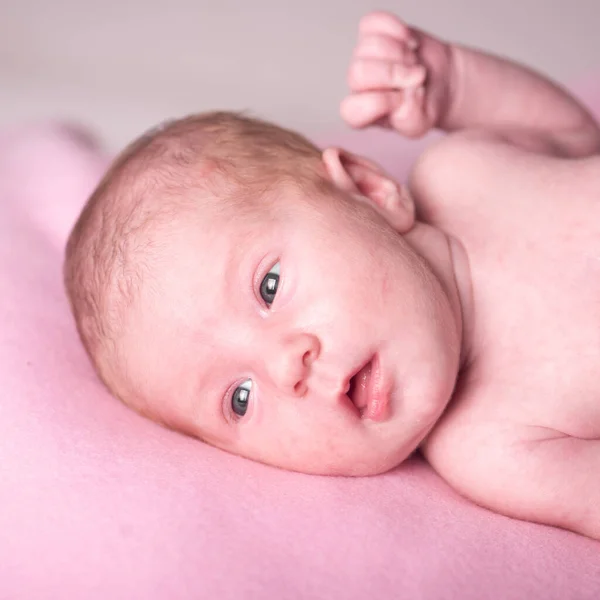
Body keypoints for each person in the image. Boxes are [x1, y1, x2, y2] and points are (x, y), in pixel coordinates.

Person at [64, 11, 600, 540]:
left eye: (268, 288)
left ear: (369, 192)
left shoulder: (464, 172)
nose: (283, 367)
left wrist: (454, 82)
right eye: (239, 399)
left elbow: (571, 137)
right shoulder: (491, 450)